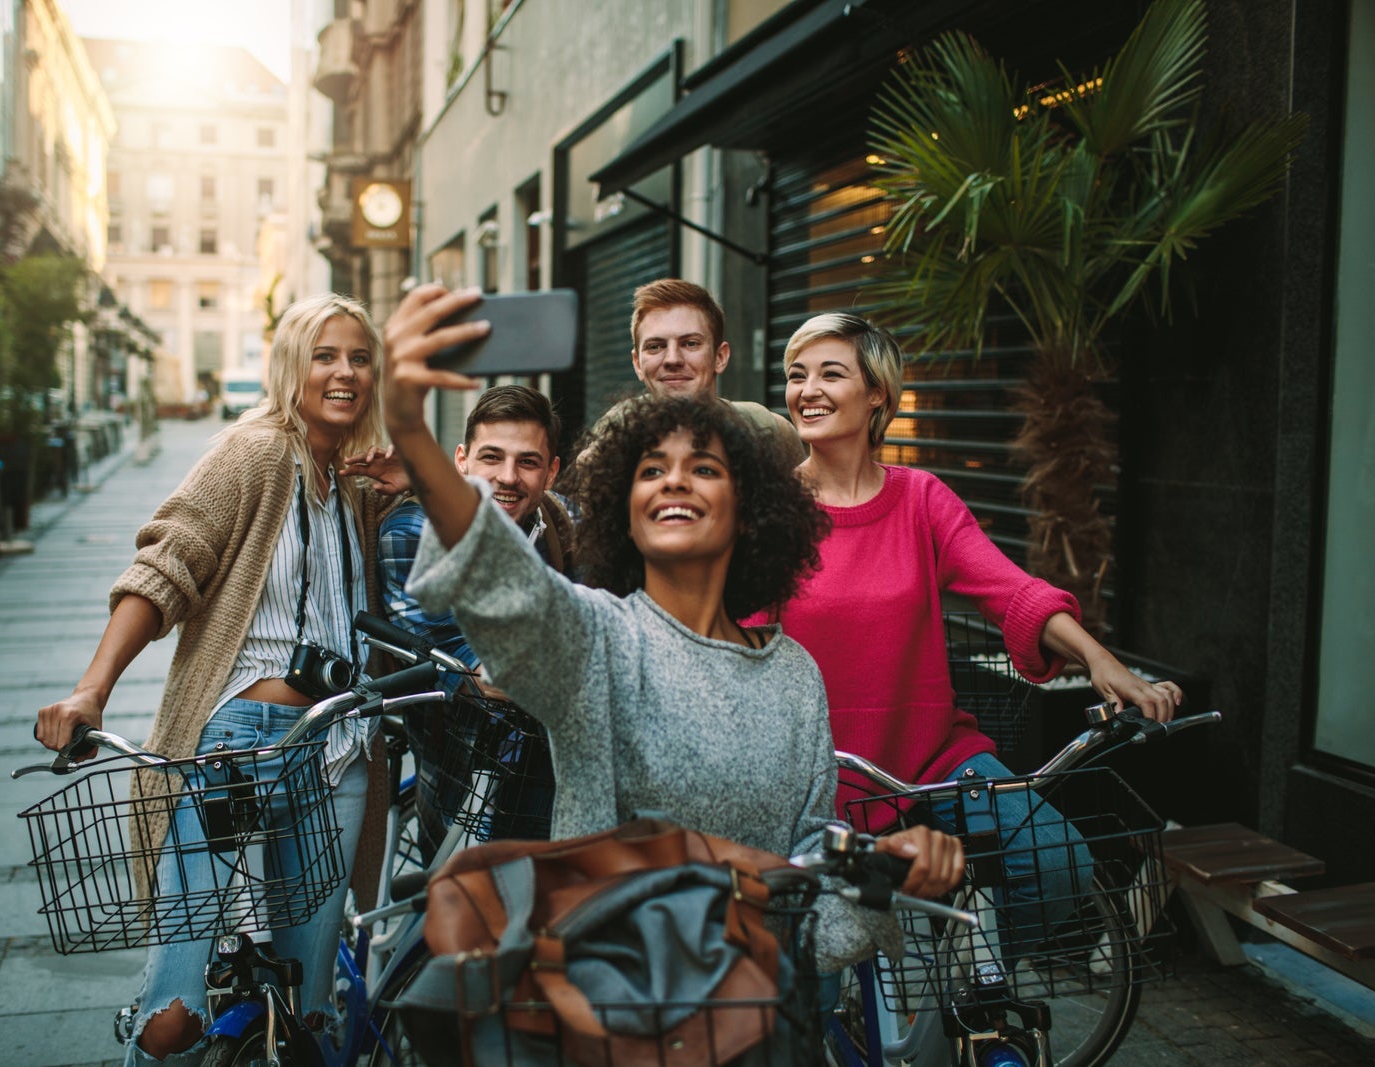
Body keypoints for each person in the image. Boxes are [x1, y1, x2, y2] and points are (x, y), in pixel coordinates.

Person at [378, 283, 964, 974]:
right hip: (615, 1003)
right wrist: (410, 427)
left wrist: (884, 872)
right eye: (651, 470)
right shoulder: (597, 641)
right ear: (622, 513)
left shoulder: (793, 675)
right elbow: (502, 578)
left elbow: (808, 868)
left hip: (752, 1011)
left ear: (749, 509)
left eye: (704, 468)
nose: (674, 481)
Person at [33, 294, 404, 1066]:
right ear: (291, 364)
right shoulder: (256, 453)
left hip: (338, 752)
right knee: (174, 1016)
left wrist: (408, 481)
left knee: (307, 1011)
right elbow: (167, 563)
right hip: (237, 748)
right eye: (325, 355)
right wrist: (93, 688)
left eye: (359, 358)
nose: (344, 372)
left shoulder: (354, 481)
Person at [756, 310, 1183, 935]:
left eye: (830, 374)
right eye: (797, 375)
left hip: (935, 759)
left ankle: (973, 970)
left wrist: (1101, 661)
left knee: (1057, 862)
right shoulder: (771, 512)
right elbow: (743, 646)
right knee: (825, 949)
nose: (807, 390)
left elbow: (1010, 590)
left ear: (877, 393)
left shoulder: (921, 498)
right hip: (814, 775)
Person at [378, 384, 571, 850]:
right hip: (466, 782)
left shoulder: (556, 526)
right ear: (462, 460)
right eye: (492, 457)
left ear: (551, 471)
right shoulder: (414, 532)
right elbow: (484, 672)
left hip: (554, 781)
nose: (508, 477)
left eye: (527, 462)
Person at [587, 279, 806, 468]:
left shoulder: (765, 431)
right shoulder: (617, 432)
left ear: (720, 357)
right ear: (637, 363)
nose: (672, 359)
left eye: (690, 343)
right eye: (655, 347)